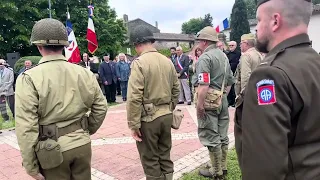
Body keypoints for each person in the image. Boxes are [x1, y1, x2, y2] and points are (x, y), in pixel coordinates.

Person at [15, 18, 108, 180]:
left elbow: (26, 126)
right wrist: (84, 129)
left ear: (38, 46)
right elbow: (101, 107)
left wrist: (30, 165)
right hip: (81, 143)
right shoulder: (84, 73)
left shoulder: (29, 78)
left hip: (51, 148)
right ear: (65, 45)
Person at [240, 0, 320, 179]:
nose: (257, 29)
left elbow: (264, 168)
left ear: (275, 21)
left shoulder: (269, 74)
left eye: (259, 20)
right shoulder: (315, 61)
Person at [126, 25, 180, 180]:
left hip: (148, 119)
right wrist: (169, 107)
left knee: (150, 158)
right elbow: (176, 90)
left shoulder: (139, 63)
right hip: (166, 115)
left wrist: (133, 124)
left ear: (137, 44)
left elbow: (134, 97)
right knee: (165, 154)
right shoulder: (168, 61)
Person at [193, 26, 234, 180]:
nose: (198, 44)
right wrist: (222, 96)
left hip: (209, 103)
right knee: (223, 136)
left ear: (204, 41)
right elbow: (230, 82)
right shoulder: (223, 56)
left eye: (199, 41)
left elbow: (203, 85)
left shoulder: (205, 58)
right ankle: (222, 167)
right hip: (222, 99)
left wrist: (199, 106)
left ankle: (216, 172)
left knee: (211, 136)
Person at [233, 33, 263, 170]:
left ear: (246, 43)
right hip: (258, 95)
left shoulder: (246, 56)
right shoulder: (260, 55)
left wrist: (241, 97)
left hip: (247, 98)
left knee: (243, 132)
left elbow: (245, 78)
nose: (240, 46)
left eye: (241, 43)